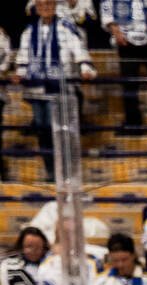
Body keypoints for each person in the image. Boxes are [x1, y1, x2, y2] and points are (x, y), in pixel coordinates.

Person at [12, 0, 95, 179]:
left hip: (59, 88)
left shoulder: (66, 27)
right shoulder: (29, 31)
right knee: (42, 131)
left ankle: (66, 171)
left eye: (49, 4)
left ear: (55, 6)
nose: (45, 8)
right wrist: (20, 73)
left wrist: (85, 67)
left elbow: (78, 49)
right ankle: (51, 171)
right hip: (36, 88)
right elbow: (23, 56)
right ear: (37, 8)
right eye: (41, 5)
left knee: (56, 129)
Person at [102, 0, 147, 129]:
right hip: (126, 40)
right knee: (129, 85)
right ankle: (133, 125)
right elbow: (106, 7)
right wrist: (114, 29)